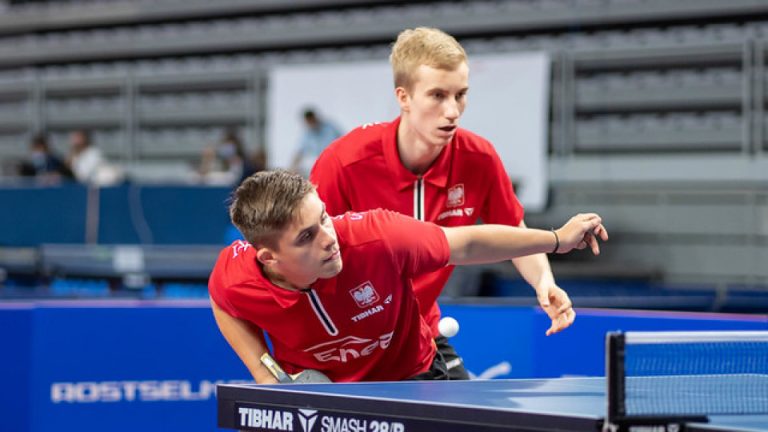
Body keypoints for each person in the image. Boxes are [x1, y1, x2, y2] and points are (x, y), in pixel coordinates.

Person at [310, 27, 568, 380]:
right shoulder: (344, 162)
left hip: (420, 332)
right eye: (437, 95)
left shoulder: (479, 159)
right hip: (350, 339)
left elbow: (513, 232)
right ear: (404, 97)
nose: (452, 111)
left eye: (460, 95)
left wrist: (544, 282)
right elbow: (306, 258)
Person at [208, 169, 608, 383]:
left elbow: (465, 244)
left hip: (413, 377)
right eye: (307, 237)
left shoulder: (377, 236)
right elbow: (223, 302)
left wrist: (556, 239)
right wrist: (262, 371)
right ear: (269, 257)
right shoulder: (237, 275)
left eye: (325, 218)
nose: (329, 239)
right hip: (328, 398)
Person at [290, 108, 342, 177]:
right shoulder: (307, 134)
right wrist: (292, 168)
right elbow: (299, 152)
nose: (311, 124)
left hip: (334, 161)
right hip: (319, 164)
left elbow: (343, 141)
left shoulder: (330, 128)